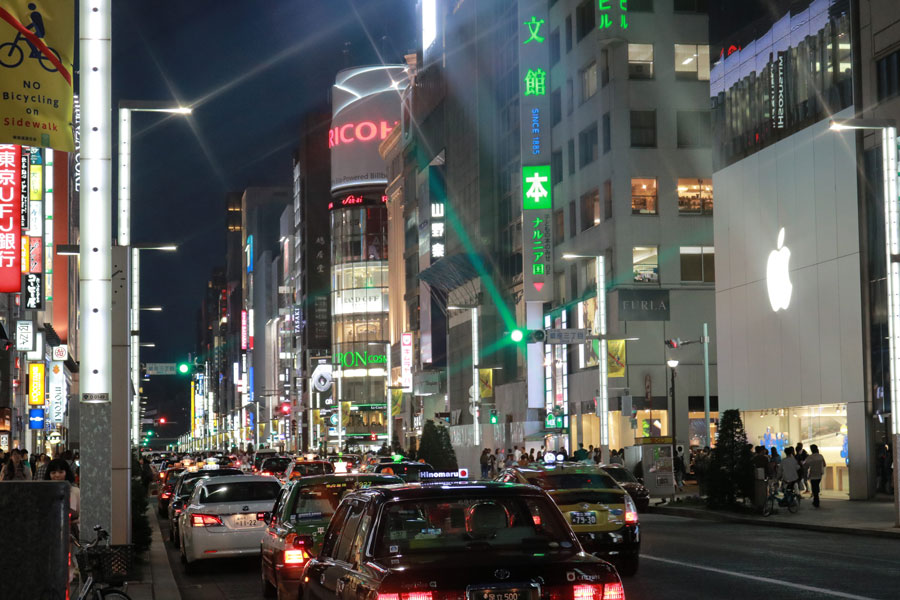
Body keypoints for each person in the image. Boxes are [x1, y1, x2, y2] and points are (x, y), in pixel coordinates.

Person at [805, 444, 826, 508]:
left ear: (811, 450)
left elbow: (806, 465)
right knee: (816, 486)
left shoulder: (810, 457)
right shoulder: (820, 456)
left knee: (814, 487)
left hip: (813, 474)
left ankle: (816, 501)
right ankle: (816, 500)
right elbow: (824, 464)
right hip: (819, 474)